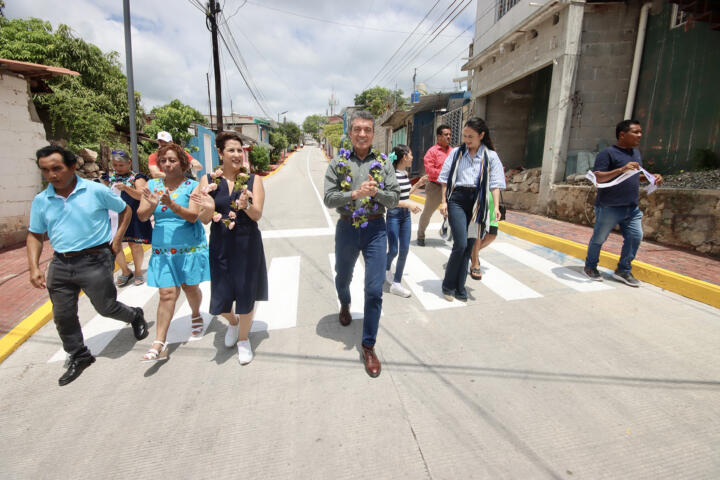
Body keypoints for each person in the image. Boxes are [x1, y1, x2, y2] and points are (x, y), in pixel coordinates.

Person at [27, 145, 148, 386]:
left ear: (72, 167)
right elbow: (34, 234)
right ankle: (79, 354)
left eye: (57, 168)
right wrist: (33, 267)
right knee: (62, 314)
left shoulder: (94, 191)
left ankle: (135, 315)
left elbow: (124, 210)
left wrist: (117, 239)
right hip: (60, 263)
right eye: (45, 170)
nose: (51, 175)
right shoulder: (42, 200)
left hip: (95, 258)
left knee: (106, 307)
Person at [323, 110, 400, 378]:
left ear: (373, 133)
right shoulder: (338, 162)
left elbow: (394, 198)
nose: (362, 134)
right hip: (347, 227)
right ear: (350, 132)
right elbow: (329, 199)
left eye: (367, 129)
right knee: (343, 276)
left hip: (376, 228)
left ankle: (368, 345)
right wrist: (354, 193)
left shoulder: (383, 162)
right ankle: (344, 303)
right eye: (357, 129)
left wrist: (375, 191)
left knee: (374, 289)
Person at [192, 132, 268, 365]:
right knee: (221, 297)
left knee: (246, 293)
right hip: (221, 244)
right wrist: (209, 205)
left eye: (239, 150)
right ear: (220, 153)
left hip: (247, 244)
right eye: (231, 150)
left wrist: (245, 206)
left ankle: (244, 340)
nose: (236, 155)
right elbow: (204, 219)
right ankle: (233, 323)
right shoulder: (208, 181)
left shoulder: (254, 180)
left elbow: (257, 215)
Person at [137, 143, 210, 361]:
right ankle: (159, 343)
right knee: (166, 293)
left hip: (188, 247)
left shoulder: (192, 185)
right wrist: (151, 205)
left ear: (183, 163)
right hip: (162, 248)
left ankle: (196, 313)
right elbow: (142, 216)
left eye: (172, 160)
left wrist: (171, 204)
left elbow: (193, 216)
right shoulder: (152, 184)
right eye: (163, 161)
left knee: (190, 287)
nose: (167, 164)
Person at [584, 119, 663, 286]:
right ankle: (590, 267)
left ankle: (623, 270)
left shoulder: (636, 153)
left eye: (640, 132)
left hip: (631, 207)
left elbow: (633, 176)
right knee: (599, 238)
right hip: (609, 206)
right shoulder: (607, 153)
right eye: (636, 132)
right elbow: (598, 176)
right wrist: (621, 169)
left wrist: (651, 177)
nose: (640, 135)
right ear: (622, 134)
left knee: (635, 237)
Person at [438, 118, 505, 301]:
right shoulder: (456, 154)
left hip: (478, 204)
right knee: (460, 244)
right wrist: (444, 201)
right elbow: (444, 178)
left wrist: (496, 207)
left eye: (471, 136)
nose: (466, 140)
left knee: (469, 246)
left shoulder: (491, 156)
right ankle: (448, 285)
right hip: (457, 200)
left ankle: (460, 288)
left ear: (481, 135)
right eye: (465, 136)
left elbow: (495, 184)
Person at [101, 150, 152, 286]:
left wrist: (126, 188)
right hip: (114, 217)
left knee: (134, 244)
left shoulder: (137, 178)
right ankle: (125, 270)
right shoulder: (109, 179)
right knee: (114, 244)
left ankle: (138, 271)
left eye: (121, 165)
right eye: (115, 165)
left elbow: (141, 195)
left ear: (129, 163)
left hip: (132, 216)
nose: (118, 168)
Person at [385, 144, 427, 297]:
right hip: (394, 215)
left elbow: (404, 194)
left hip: (405, 217)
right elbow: (389, 201)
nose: (412, 157)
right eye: (410, 154)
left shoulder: (403, 173)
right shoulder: (391, 175)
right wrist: (408, 204)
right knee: (394, 250)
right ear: (404, 157)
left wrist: (417, 184)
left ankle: (396, 283)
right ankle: (386, 267)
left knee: (404, 250)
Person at [417, 124, 453, 246]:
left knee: (453, 213)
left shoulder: (453, 152)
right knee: (428, 213)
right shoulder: (432, 152)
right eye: (446, 134)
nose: (449, 137)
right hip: (435, 187)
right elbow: (430, 171)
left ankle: (448, 233)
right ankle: (420, 235)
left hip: (451, 188)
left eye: (450, 134)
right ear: (439, 136)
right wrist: (446, 174)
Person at [469, 174, 503, 280]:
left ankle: (473, 253)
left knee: (492, 235)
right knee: (478, 233)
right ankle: (475, 263)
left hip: (493, 204)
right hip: (479, 201)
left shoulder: (493, 161)